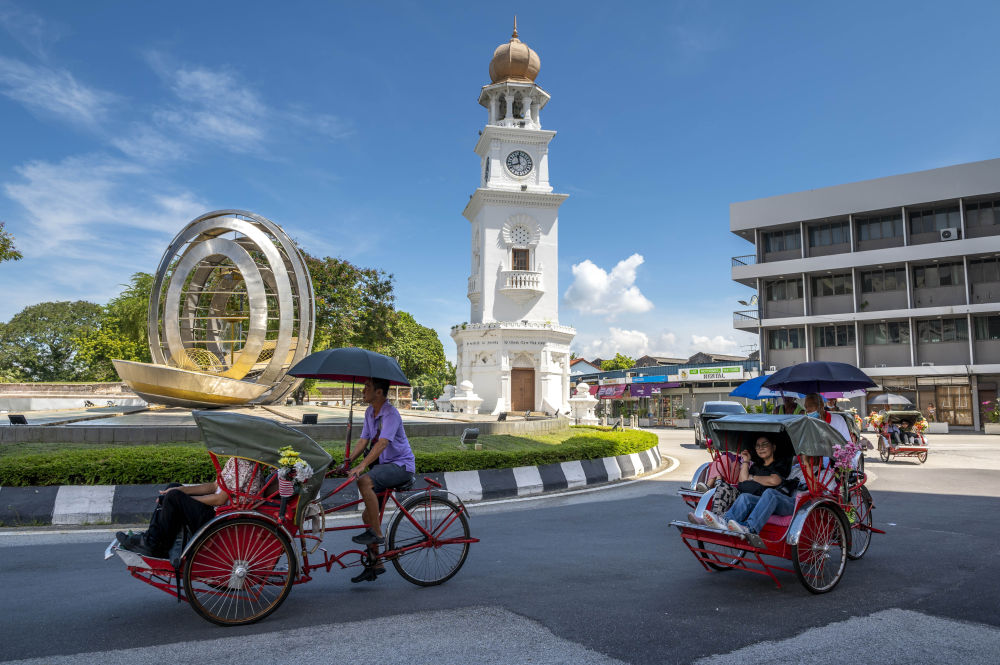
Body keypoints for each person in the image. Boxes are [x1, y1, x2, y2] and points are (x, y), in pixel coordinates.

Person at [116, 456, 267, 558]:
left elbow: (220, 499)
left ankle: (152, 544)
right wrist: (182, 490)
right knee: (173, 488)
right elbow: (215, 486)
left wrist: (184, 500)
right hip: (217, 511)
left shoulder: (246, 467)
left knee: (174, 498)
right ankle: (153, 538)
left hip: (220, 518)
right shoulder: (236, 460)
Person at [345, 377, 416, 583]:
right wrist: (348, 462)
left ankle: (377, 533)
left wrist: (361, 467)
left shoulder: (391, 414)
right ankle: (376, 563)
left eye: (367, 387)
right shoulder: (370, 412)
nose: (363, 390)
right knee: (367, 515)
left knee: (364, 481)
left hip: (400, 466)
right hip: (383, 467)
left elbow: (383, 443)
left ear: (379, 392)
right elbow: (364, 440)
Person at [701, 436, 792, 534]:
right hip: (750, 496)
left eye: (764, 444)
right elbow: (742, 479)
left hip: (774, 500)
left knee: (769, 493)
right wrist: (746, 461)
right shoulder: (757, 465)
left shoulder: (780, 463)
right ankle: (720, 521)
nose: (761, 448)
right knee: (733, 491)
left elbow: (774, 480)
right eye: (757, 446)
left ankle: (749, 528)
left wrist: (752, 477)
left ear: (773, 447)